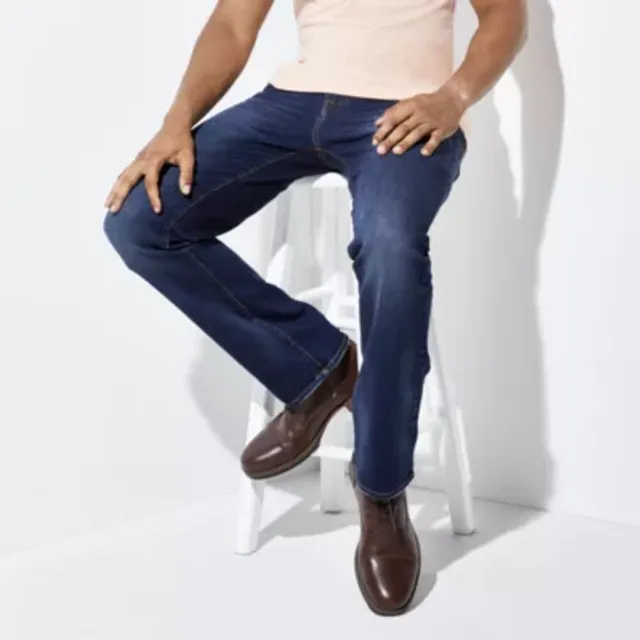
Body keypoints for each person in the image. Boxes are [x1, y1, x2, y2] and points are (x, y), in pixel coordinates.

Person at [103, 0, 527, 616]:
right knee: (140, 222)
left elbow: (505, 15)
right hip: (290, 107)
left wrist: (454, 97)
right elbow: (233, 23)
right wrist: (176, 121)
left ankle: (381, 486)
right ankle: (319, 369)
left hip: (405, 109)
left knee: (390, 250)